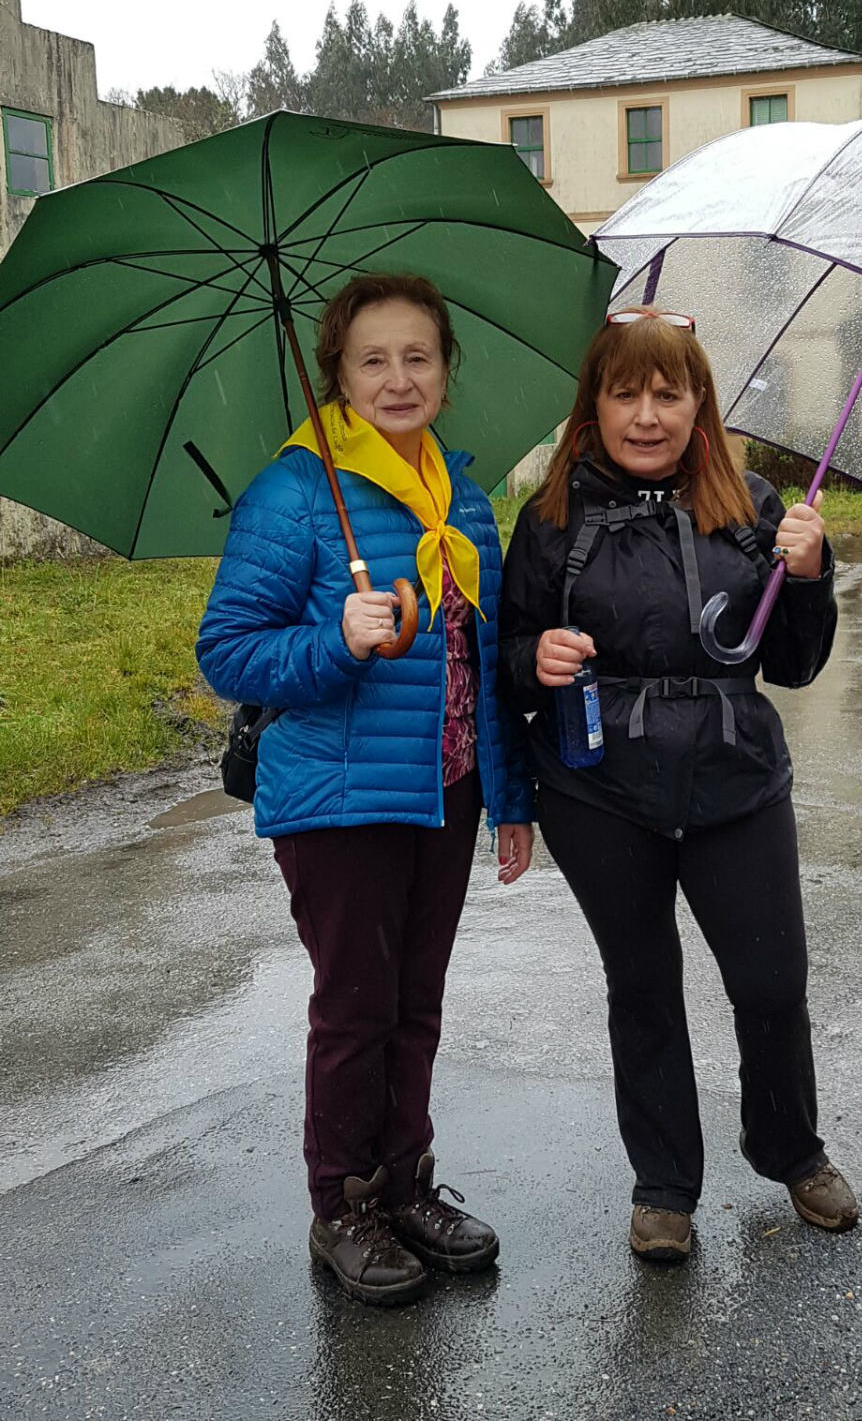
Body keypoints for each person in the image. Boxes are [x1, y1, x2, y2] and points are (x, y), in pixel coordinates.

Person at [197, 272, 534, 1305]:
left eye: (416, 357)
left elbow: (483, 662)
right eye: (372, 360)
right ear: (337, 374)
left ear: (445, 371)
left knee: (415, 1001)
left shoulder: (461, 497)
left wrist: (510, 797)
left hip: (447, 788)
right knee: (355, 1008)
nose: (397, 379)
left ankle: (403, 1184)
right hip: (339, 796)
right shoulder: (296, 492)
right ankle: (341, 1203)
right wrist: (335, 643)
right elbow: (227, 652)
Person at [499, 308, 857, 1262]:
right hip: (596, 789)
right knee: (643, 988)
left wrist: (809, 575)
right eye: (625, 394)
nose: (647, 415)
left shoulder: (754, 508)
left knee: (771, 984)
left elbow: (794, 666)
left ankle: (790, 1148)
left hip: (735, 779)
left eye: (668, 392)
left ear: (701, 402)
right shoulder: (551, 519)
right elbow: (503, 658)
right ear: (595, 405)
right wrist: (533, 656)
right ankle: (663, 1186)